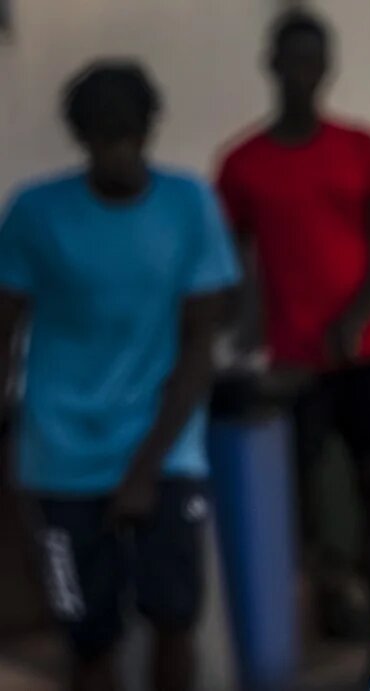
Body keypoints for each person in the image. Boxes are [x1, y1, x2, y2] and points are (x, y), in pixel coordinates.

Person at [0, 62, 240, 691]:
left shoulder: (189, 205)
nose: (116, 151)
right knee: (87, 636)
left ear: (148, 131)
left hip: (164, 448)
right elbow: (5, 331)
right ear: (82, 139)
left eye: (127, 135)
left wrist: (143, 470)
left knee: (173, 619)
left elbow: (198, 350)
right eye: (102, 137)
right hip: (61, 455)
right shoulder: (35, 213)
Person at [216, 9, 370, 642]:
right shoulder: (242, 164)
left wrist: (356, 315)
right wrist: (235, 339)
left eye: (312, 60)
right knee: (297, 504)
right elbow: (229, 263)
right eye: (291, 59)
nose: (301, 73)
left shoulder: (361, 148)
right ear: (272, 65)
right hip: (292, 364)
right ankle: (321, 611)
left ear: (327, 68)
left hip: (366, 353)